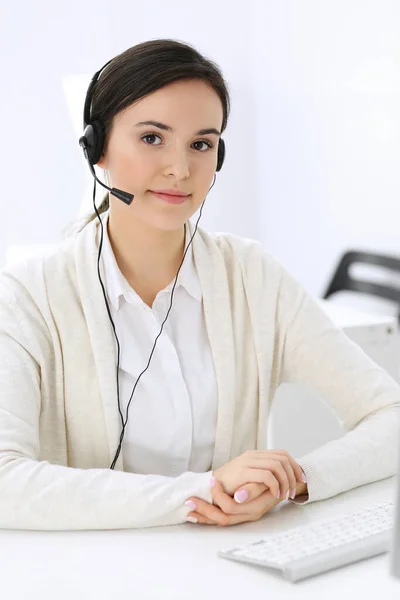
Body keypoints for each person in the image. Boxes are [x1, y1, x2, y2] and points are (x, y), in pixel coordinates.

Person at [0, 39, 399, 531]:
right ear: (96, 147)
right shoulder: (27, 294)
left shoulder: (253, 276)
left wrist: (293, 480)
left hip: (226, 563)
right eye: (152, 138)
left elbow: (392, 416)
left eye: (201, 144)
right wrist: (201, 491)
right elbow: (5, 480)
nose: (180, 169)